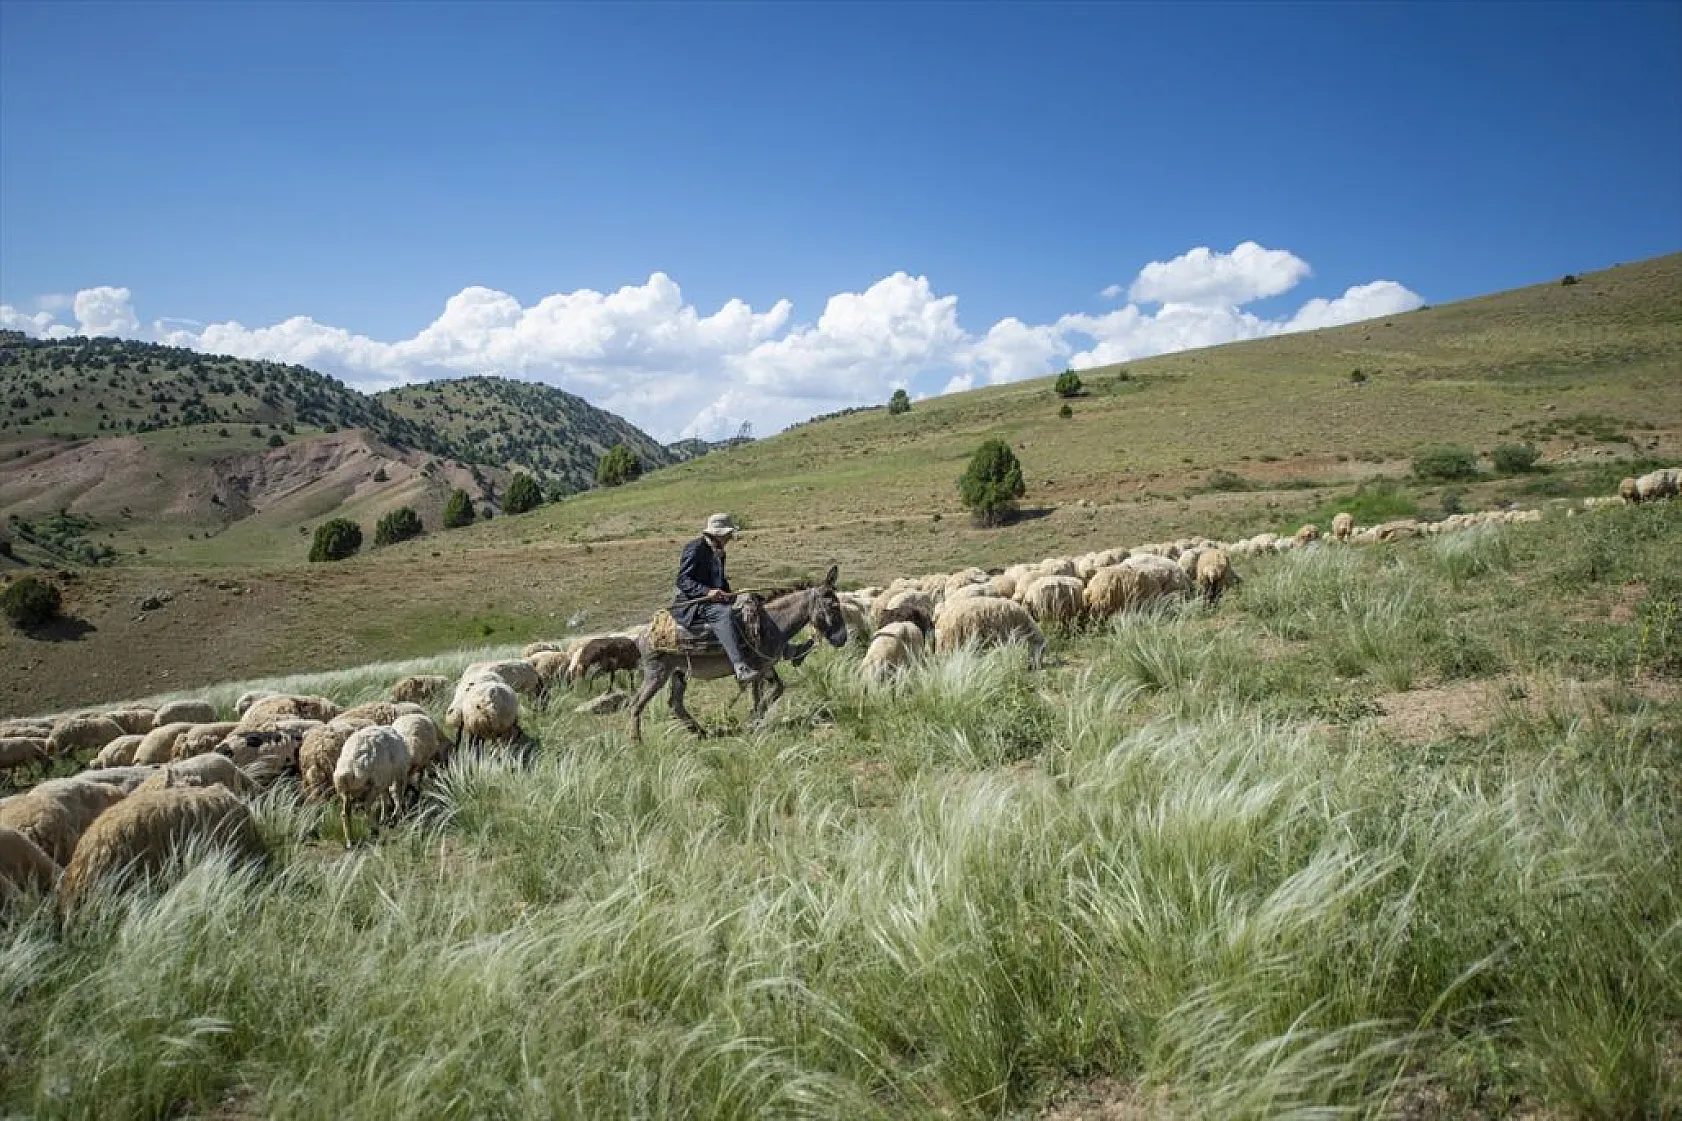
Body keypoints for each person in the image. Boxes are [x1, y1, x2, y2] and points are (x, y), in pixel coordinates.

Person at [672, 513, 761, 684]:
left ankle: (784, 648)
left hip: (712, 598)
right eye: (728, 534)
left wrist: (730, 593)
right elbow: (683, 580)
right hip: (694, 603)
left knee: (752, 600)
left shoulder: (720, 552)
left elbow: (719, 581)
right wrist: (707, 592)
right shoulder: (695, 548)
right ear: (718, 534)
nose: (730, 538)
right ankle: (740, 666)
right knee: (723, 614)